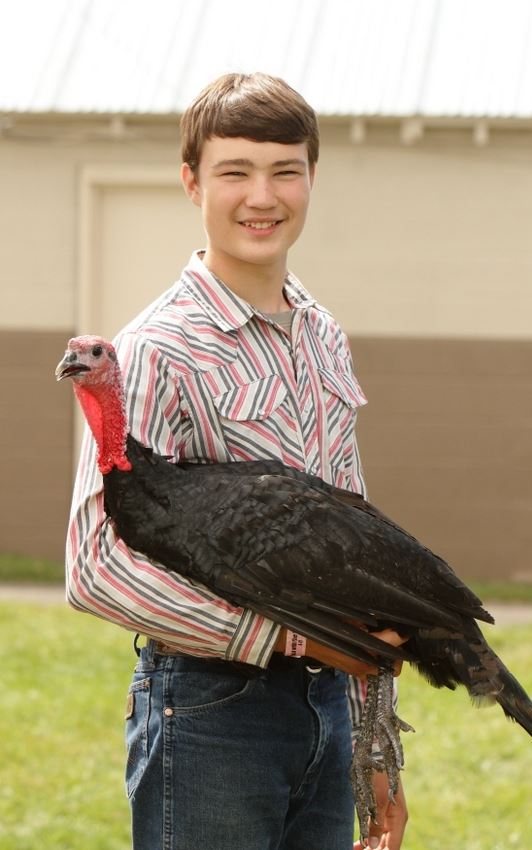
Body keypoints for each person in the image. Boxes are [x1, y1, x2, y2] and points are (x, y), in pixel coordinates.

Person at [66, 72, 408, 850]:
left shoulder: (322, 334)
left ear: (312, 177)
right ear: (192, 182)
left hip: (329, 707)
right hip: (213, 713)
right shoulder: (157, 348)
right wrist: (286, 641)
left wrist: (377, 760)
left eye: (284, 169)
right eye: (234, 171)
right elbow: (95, 567)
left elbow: (351, 567)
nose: (263, 195)